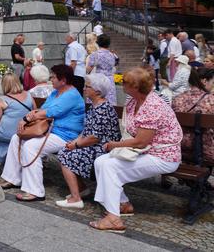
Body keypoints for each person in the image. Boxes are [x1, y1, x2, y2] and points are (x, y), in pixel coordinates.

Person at [90, 67, 182, 233]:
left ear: (136, 87)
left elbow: (141, 141)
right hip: (146, 151)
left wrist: (114, 145)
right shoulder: (133, 101)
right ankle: (123, 204)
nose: (121, 84)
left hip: (163, 157)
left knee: (110, 166)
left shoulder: (152, 105)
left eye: (124, 83)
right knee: (100, 161)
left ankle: (113, 219)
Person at [0, 64, 85, 202]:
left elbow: (51, 111)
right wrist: (32, 116)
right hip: (50, 130)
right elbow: (42, 109)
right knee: (17, 138)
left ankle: (35, 191)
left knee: (31, 146)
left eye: (54, 77)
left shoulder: (72, 95)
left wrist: (27, 118)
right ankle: (13, 178)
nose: (51, 79)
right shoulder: (55, 92)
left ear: (63, 80)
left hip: (66, 136)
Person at [55, 74, 121, 208]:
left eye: (87, 86)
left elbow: (95, 137)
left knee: (65, 155)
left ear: (97, 91)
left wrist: (77, 144)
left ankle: (76, 198)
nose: (84, 89)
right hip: (95, 145)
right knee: (66, 150)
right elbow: (86, 131)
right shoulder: (94, 106)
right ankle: (81, 189)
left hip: (103, 148)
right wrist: (74, 142)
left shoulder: (103, 109)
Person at [0, 73, 34, 169]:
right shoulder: (29, 95)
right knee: (0, 135)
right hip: (26, 132)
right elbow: (34, 112)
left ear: (4, 85)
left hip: (8, 134)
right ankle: (6, 160)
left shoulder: (3, 100)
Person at [172, 68, 214, 164]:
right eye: (212, 82)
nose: (212, 86)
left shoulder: (177, 98)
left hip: (179, 147)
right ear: (204, 81)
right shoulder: (211, 100)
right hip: (204, 150)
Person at [86, 34, 117, 105]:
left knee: (98, 100)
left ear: (98, 42)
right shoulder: (112, 55)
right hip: (110, 79)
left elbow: (88, 69)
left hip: (99, 79)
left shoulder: (95, 54)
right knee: (109, 100)